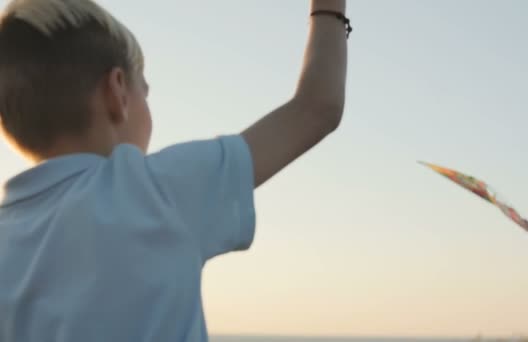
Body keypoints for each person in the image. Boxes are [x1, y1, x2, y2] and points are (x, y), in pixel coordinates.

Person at [0, 0, 349, 340]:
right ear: (117, 91)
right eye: (145, 91)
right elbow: (317, 108)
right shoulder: (152, 191)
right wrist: (328, 10)